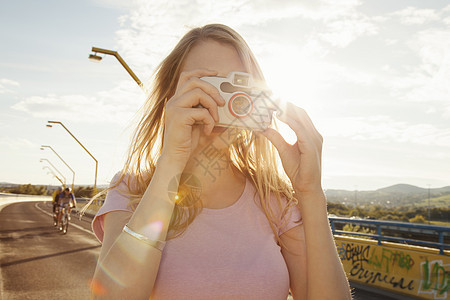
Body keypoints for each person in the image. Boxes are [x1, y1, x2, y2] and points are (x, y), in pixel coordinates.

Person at [90, 24, 351, 299]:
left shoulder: (274, 202)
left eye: (235, 86)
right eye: (206, 85)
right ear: (170, 97)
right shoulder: (132, 190)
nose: (219, 101)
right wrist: (171, 162)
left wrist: (310, 195)